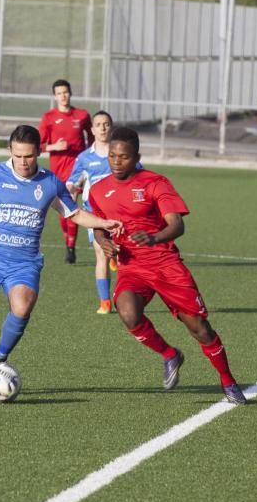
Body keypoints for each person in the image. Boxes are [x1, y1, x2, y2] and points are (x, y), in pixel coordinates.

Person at [0, 124, 121, 394]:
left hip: (24, 262)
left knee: (22, 307)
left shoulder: (50, 182)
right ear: (10, 151)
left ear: (39, 152)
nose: (23, 162)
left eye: (29, 156)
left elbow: (74, 214)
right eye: (18, 156)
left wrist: (104, 223)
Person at [89, 127, 247, 405]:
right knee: (128, 313)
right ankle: (169, 354)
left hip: (165, 264)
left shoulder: (155, 183)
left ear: (136, 156)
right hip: (132, 267)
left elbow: (177, 224)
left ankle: (228, 380)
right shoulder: (99, 190)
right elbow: (99, 226)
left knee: (199, 327)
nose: (116, 161)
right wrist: (103, 241)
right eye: (112, 155)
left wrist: (154, 237)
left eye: (123, 157)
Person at [66, 110, 123, 314]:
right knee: (101, 254)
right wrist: (71, 191)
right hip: (94, 213)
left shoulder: (120, 153)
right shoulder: (84, 158)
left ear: (111, 127)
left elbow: (138, 173)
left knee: (124, 256)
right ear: (92, 129)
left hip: (120, 213)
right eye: (98, 124)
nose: (103, 128)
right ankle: (105, 302)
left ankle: (123, 289)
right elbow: (73, 181)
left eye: (106, 124)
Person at [38, 78, 92, 264]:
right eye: (59, 93)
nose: (63, 96)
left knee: (73, 206)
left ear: (70, 93)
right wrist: (55, 146)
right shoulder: (49, 118)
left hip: (76, 170)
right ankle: (68, 242)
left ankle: (71, 247)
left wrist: (89, 159)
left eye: (66, 92)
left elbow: (92, 138)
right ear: (55, 96)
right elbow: (39, 145)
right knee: (63, 209)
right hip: (57, 169)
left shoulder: (82, 115)